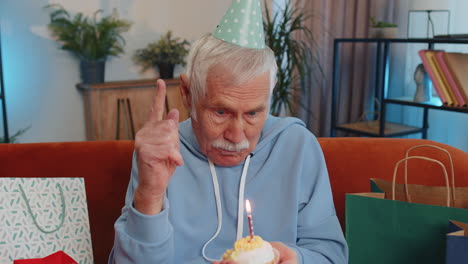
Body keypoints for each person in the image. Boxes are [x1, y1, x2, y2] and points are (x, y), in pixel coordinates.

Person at [109, 0, 348, 263]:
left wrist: (296, 258)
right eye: (221, 112)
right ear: (188, 94)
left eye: (253, 113)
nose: (237, 136)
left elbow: (332, 256)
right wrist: (150, 195)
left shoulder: (297, 146)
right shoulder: (161, 153)